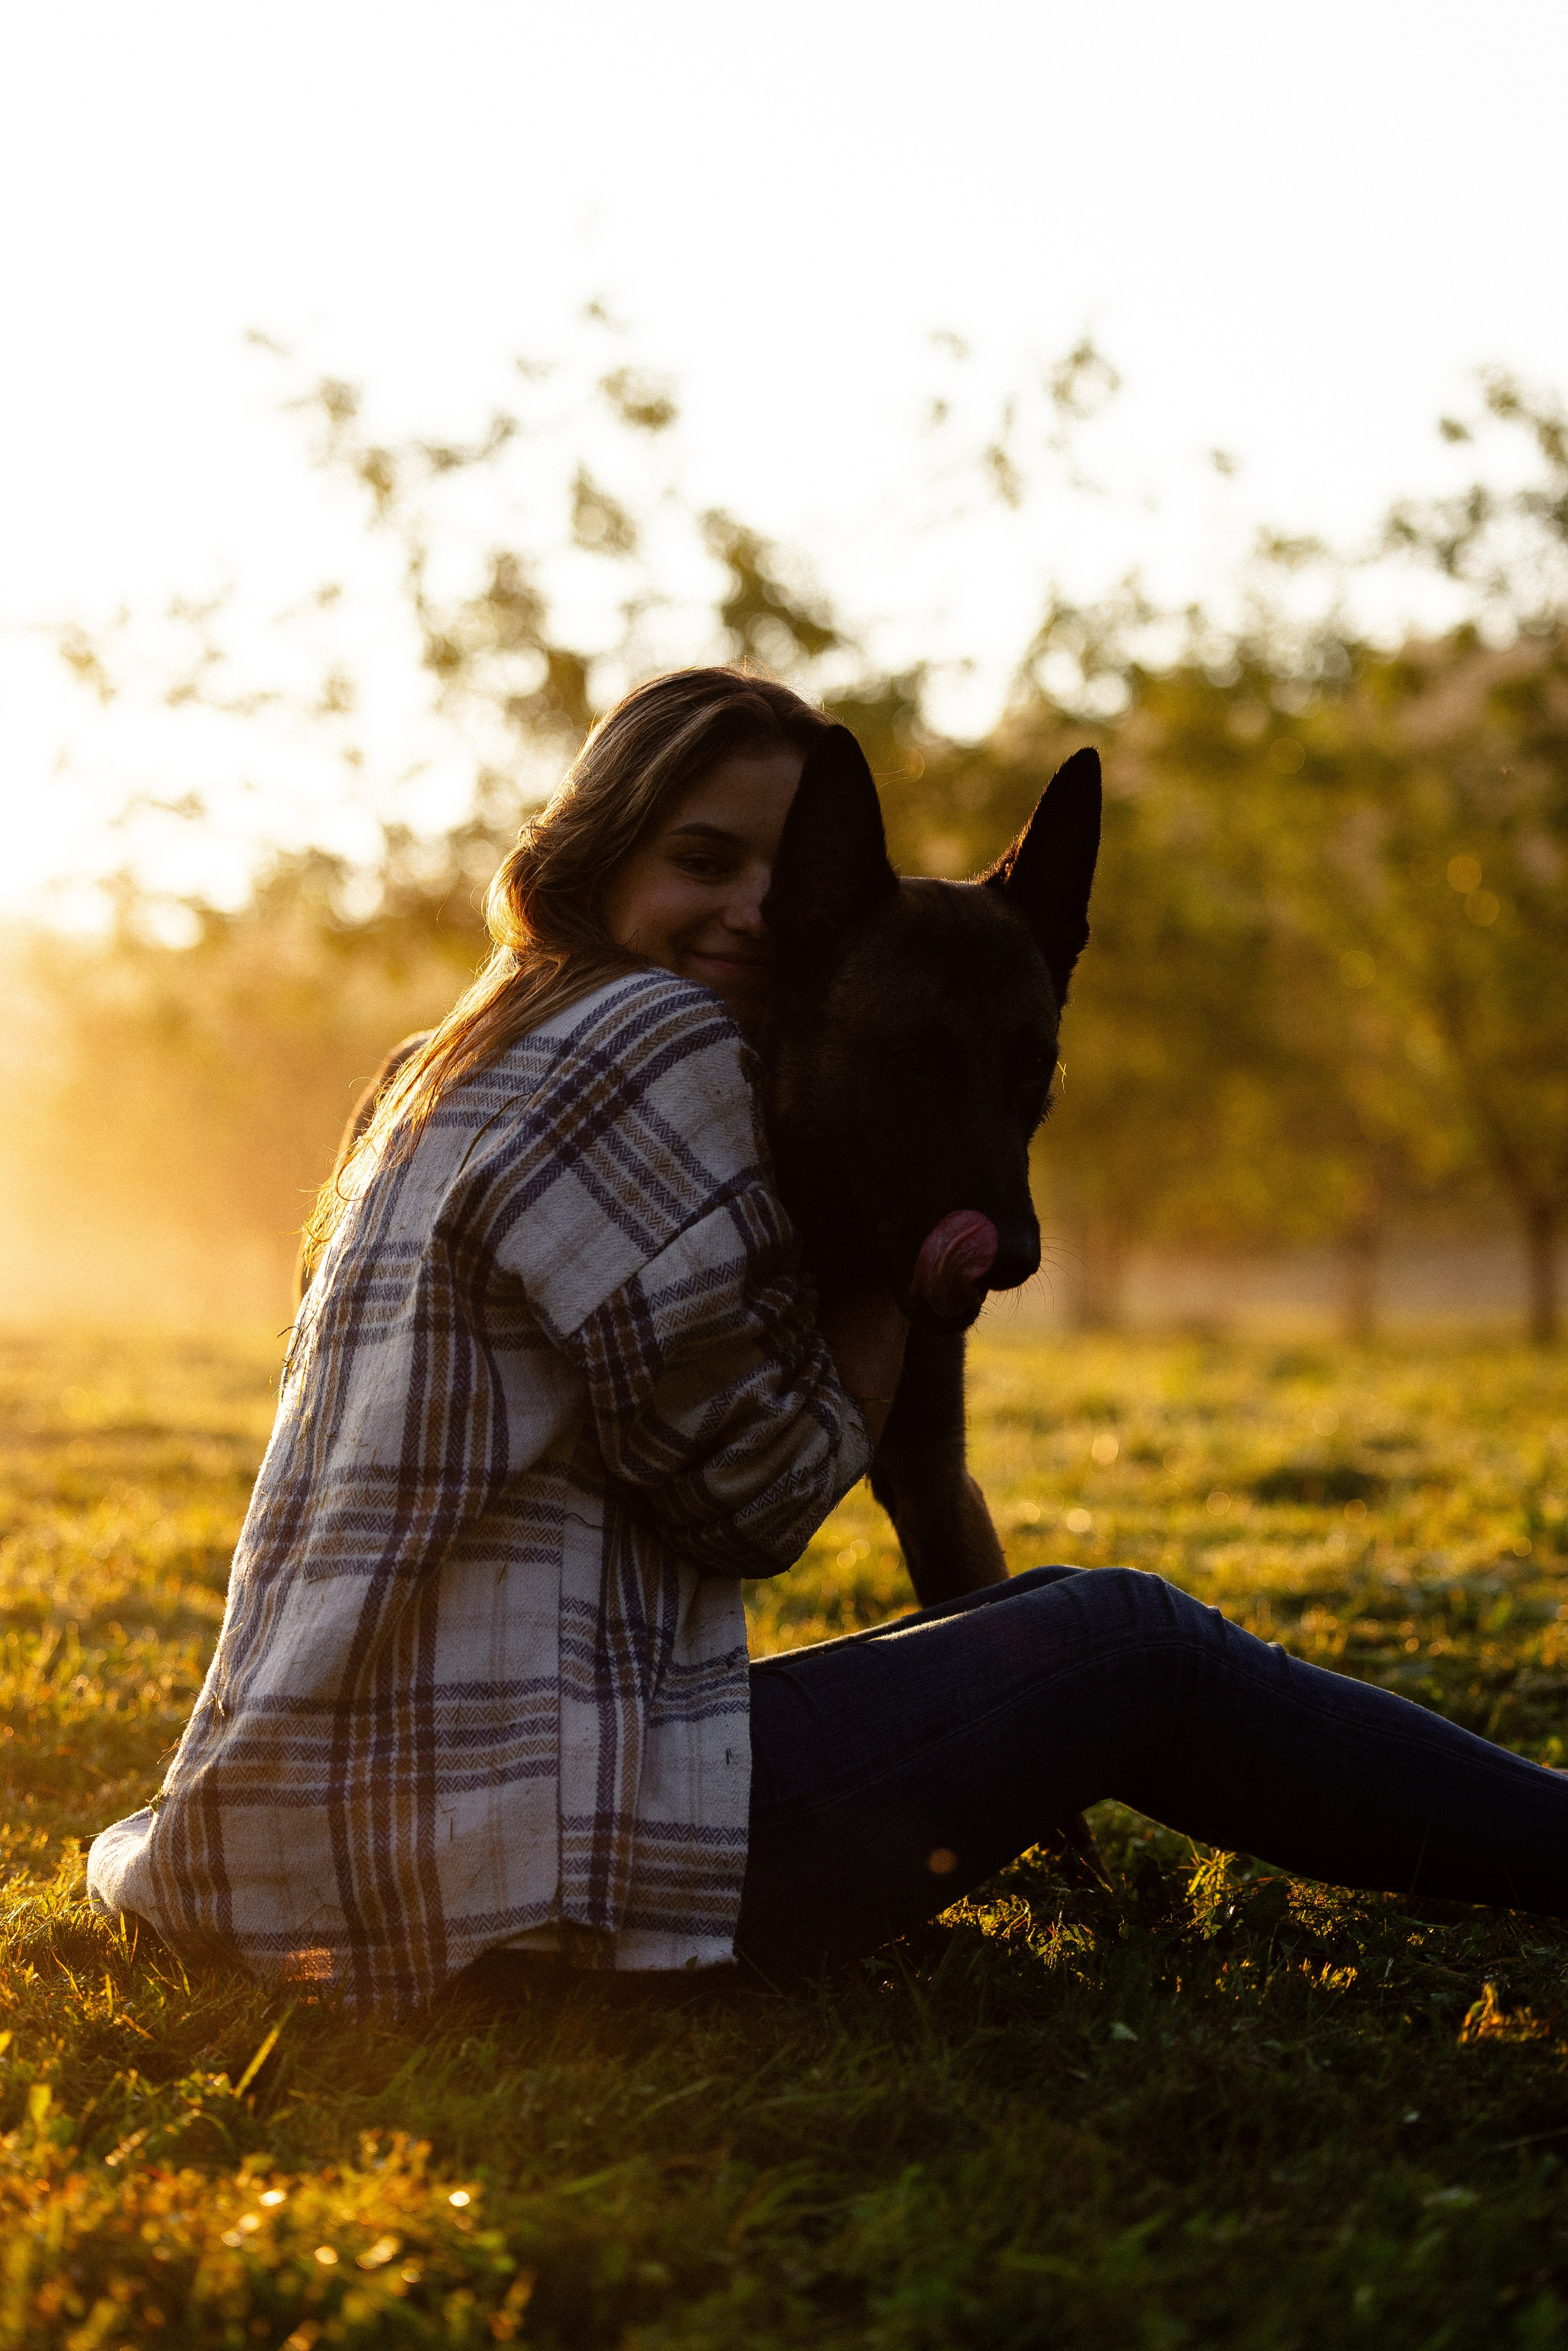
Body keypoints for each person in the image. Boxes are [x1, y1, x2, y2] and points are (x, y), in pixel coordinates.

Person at [88, 666, 1568, 2013]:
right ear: (589, 857)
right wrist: (887, 1274)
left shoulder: (443, 1065)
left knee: (1047, 1621)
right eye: (700, 861)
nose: (751, 911)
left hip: (302, 1832)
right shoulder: (648, 1043)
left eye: (781, 876)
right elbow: (761, 1496)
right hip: (495, 1873)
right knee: (1130, 1642)